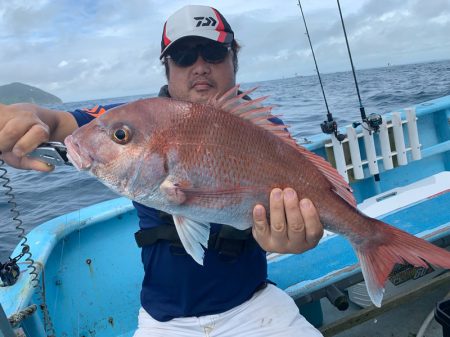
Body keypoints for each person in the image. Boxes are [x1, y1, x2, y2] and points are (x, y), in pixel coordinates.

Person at [0, 5, 324, 337]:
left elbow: (308, 202)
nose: (199, 66)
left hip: (254, 305)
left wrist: (298, 239)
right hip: (165, 322)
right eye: (183, 55)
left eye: (213, 52)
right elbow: (57, 122)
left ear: (233, 59)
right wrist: (24, 115)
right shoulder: (132, 119)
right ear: (167, 68)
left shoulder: (265, 131)